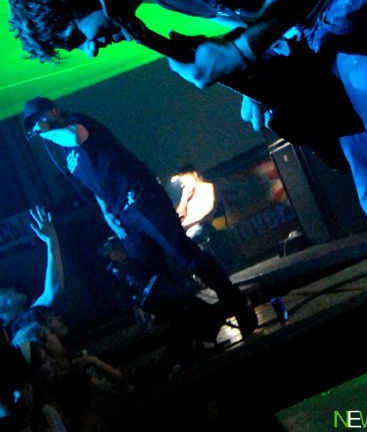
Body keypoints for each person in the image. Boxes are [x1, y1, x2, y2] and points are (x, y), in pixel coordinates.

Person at [7, 0, 367, 422]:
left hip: (358, 3)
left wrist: (244, 49)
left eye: (78, 35)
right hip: (324, 36)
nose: (91, 49)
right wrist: (262, 74)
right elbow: (269, 6)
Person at [21, 97, 257, 337]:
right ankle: (195, 327)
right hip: (122, 214)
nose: (38, 124)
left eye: (40, 117)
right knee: (151, 278)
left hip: (141, 196)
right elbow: (95, 182)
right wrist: (107, 213)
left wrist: (44, 132)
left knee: (183, 251)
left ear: (53, 110)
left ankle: (236, 302)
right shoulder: (64, 151)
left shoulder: (77, 121)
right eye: (33, 123)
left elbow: (75, 137)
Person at [0, 206, 66, 342]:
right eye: (4, 290)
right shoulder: (13, 332)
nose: (12, 287)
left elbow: (53, 290)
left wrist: (51, 241)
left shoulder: (27, 318)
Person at [175, 164, 217, 247]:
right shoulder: (188, 195)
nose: (184, 185)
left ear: (194, 174)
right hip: (189, 231)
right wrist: (183, 200)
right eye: (182, 183)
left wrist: (186, 224)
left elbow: (207, 211)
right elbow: (178, 217)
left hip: (201, 228)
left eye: (186, 181)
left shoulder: (207, 187)